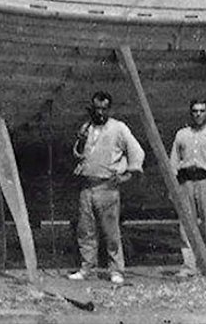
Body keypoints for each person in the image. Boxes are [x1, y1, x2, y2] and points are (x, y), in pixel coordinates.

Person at [68, 91, 145, 285]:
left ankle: (116, 270)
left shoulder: (119, 128)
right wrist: (80, 139)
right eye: (97, 109)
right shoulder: (87, 127)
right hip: (87, 185)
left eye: (104, 109)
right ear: (91, 108)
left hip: (107, 186)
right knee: (85, 230)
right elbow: (78, 154)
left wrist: (127, 174)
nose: (100, 112)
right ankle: (87, 268)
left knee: (110, 232)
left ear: (109, 109)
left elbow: (137, 152)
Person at [170, 99, 206, 277]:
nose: (198, 114)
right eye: (195, 111)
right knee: (187, 226)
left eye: (202, 111)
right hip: (186, 182)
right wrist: (173, 189)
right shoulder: (181, 134)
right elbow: (173, 165)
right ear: (191, 113)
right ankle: (189, 266)